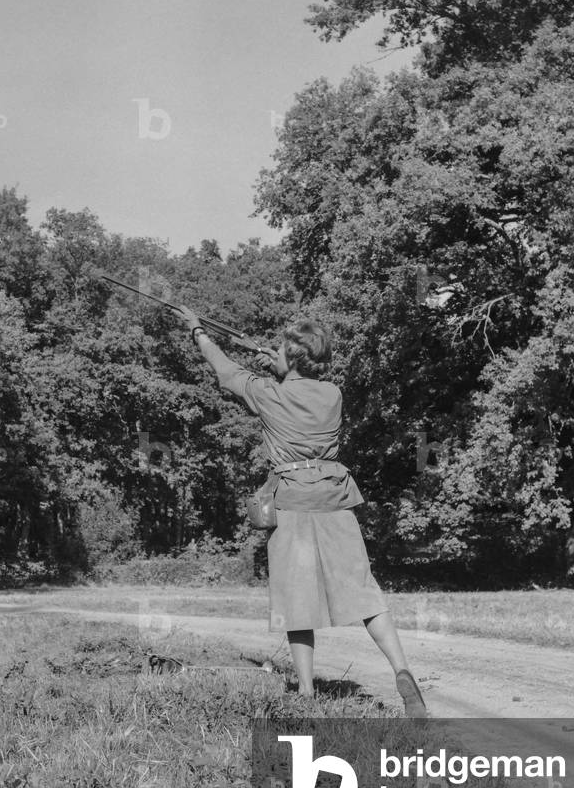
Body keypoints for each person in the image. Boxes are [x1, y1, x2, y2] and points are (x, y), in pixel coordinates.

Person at [172, 305, 428, 718]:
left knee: (297, 599)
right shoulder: (332, 394)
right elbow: (300, 386)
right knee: (365, 592)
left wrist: (198, 330)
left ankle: (306, 693)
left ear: (292, 358)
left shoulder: (269, 393)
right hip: (335, 499)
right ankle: (402, 670)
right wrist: (284, 366)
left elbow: (227, 372)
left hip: (292, 500)